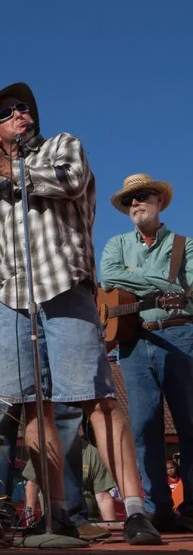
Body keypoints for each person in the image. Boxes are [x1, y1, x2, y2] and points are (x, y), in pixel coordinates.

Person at [0, 82, 160, 545]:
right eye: (7, 114)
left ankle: (134, 510)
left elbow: (68, 180)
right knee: (33, 405)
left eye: (22, 108)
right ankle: (59, 512)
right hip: (13, 300)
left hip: (65, 288)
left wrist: (7, 167)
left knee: (96, 398)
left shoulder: (61, 146)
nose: (19, 115)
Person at [0, 210, 107, 540]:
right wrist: (15, 249)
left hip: (50, 309)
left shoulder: (43, 208)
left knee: (64, 411)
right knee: (0, 417)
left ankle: (68, 513)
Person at [100, 174, 193, 532]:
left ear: (159, 201)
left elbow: (188, 288)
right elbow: (108, 277)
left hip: (181, 335)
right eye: (130, 200)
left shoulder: (186, 246)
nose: (135, 203)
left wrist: (133, 276)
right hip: (134, 341)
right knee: (142, 428)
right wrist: (162, 283)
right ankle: (160, 510)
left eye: (142, 196)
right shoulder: (115, 245)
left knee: (189, 423)